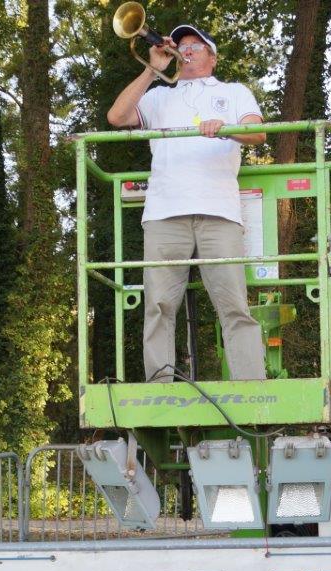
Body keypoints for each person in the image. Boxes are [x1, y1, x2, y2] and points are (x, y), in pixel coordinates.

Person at [107, 23, 267, 382]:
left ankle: (253, 390)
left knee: (234, 306)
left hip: (219, 213)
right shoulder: (159, 95)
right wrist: (152, 70)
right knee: (158, 306)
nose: (187, 49)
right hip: (164, 213)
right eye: (182, 45)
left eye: (196, 45)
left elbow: (258, 133)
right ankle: (159, 389)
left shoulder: (234, 92)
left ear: (212, 57)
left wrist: (224, 127)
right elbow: (116, 118)